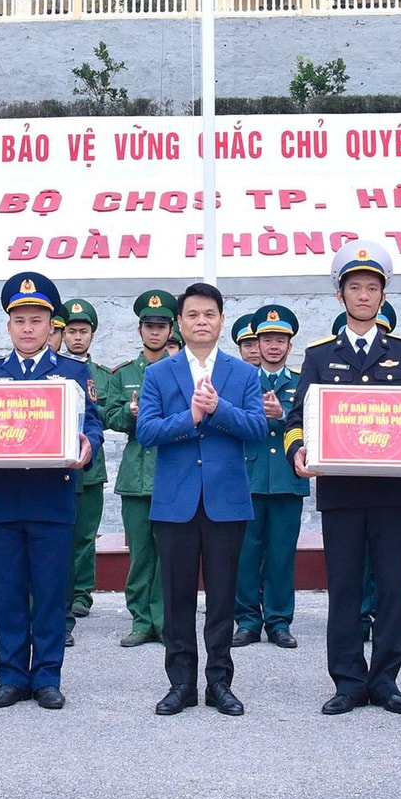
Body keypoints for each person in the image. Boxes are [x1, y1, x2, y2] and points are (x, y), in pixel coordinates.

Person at [285, 239, 401, 716]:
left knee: (391, 588)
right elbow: (296, 419)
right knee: (344, 587)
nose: (363, 295)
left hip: (394, 492)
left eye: (372, 287)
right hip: (341, 492)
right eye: (355, 287)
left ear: (383, 296)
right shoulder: (320, 355)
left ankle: (386, 680)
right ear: (339, 296)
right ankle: (347, 680)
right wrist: (299, 449)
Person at [0, 272, 100, 710]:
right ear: (8, 325)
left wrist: (88, 444)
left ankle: (47, 677)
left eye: (37, 320)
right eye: (20, 320)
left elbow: (92, 422)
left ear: (51, 326)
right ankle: (11, 676)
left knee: (49, 590)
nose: (27, 328)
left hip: (52, 496)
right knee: (6, 591)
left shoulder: (74, 372)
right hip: (2, 497)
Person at [136, 282, 267, 715]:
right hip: (175, 502)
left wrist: (218, 409)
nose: (201, 322)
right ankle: (181, 684)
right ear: (180, 322)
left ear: (222, 321)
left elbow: (257, 429)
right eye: (192, 315)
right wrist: (190, 417)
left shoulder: (245, 373)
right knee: (176, 598)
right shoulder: (158, 373)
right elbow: (147, 431)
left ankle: (220, 683)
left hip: (226, 501)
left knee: (223, 598)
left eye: (209, 314)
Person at [102, 290, 178, 648]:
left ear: (171, 329)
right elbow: (108, 416)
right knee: (140, 554)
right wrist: (128, 415)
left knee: (169, 553)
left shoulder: (181, 370)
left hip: (171, 473)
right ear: (140, 330)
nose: (155, 332)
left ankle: (164, 621)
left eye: (161, 326)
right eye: (149, 326)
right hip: (135, 476)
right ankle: (140, 620)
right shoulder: (123, 374)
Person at [234, 304, 307, 649]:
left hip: (287, 478)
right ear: (257, 344)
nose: (274, 345)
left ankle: (279, 620)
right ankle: (247, 620)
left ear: (290, 345)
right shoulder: (242, 380)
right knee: (246, 553)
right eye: (267, 339)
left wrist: (280, 418)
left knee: (281, 554)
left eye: (280, 339)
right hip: (246, 478)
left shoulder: (302, 383)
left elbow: (313, 427)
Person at [58, 297, 107, 636]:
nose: (76, 337)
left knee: (85, 536)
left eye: (82, 331)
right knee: (61, 536)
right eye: (70, 331)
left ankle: (81, 594)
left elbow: (100, 418)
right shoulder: (55, 368)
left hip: (89, 466)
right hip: (59, 467)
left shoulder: (102, 375)